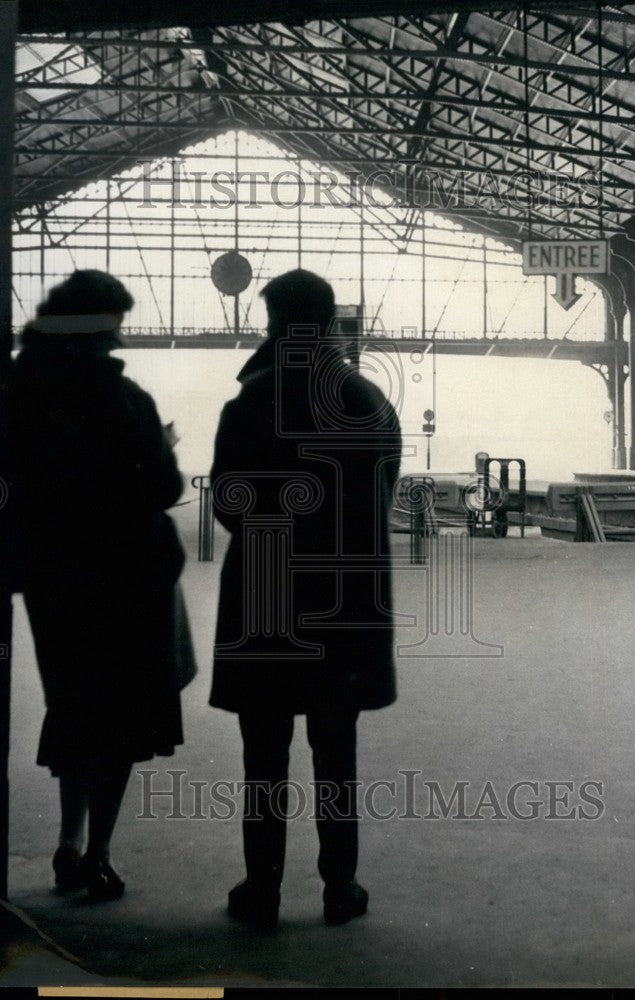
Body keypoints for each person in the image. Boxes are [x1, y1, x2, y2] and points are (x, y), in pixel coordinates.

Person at [210, 269, 401, 930]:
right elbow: (383, 497)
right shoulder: (368, 400)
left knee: (262, 752)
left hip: (265, 600)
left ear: (271, 323)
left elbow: (230, 505)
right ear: (329, 324)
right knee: (335, 749)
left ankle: (261, 890)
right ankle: (338, 888)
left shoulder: (248, 404)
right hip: (346, 604)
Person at [9, 270, 189, 902]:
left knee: (73, 706)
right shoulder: (123, 399)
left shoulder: (19, 389)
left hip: (52, 581)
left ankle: (65, 841)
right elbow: (165, 489)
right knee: (117, 722)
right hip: (124, 580)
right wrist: (161, 448)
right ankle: (99, 856)